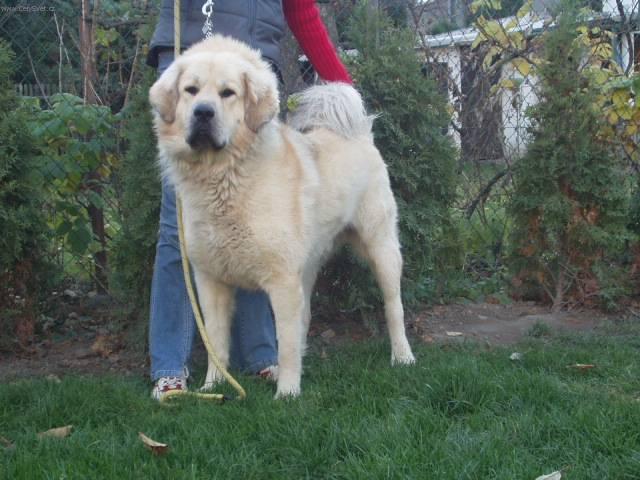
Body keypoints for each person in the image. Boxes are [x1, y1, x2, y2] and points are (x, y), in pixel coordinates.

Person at [147, 0, 352, 400]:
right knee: (180, 231)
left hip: (253, 65)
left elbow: (301, 9)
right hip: (190, 49)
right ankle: (170, 367)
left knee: (263, 225)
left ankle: (258, 355)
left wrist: (343, 85)